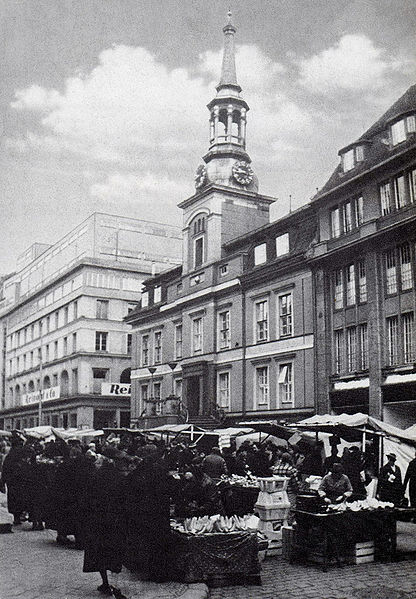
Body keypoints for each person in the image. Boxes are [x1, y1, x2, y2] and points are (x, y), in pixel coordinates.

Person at [82, 454, 129, 598]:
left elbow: (87, 499)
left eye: (99, 461)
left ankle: (105, 583)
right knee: (115, 552)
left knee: (99, 553)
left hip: (98, 521)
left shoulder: (94, 477)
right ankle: (115, 584)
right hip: (116, 521)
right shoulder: (121, 478)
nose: (97, 463)